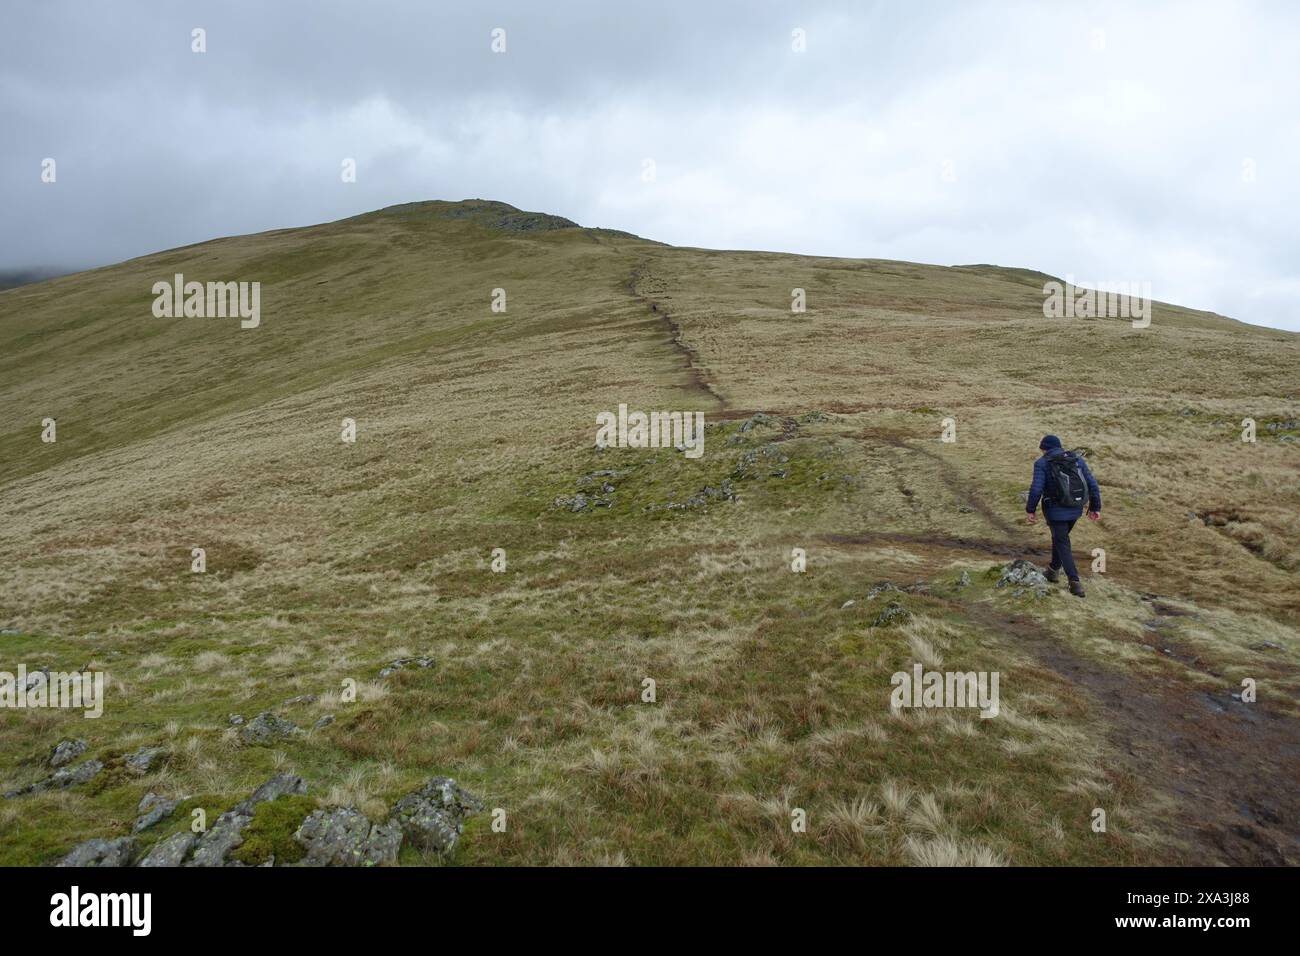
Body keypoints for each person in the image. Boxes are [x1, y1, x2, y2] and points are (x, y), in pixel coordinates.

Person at [1025, 434, 1101, 597]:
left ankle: (1075, 583)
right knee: (1060, 539)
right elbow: (1092, 484)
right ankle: (1052, 571)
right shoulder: (1077, 460)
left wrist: (1030, 510)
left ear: (1044, 448)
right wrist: (1095, 507)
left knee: (1062, 543)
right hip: (1075, 508)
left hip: (1054, 511)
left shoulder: (1042, 463)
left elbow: (1036, 489)